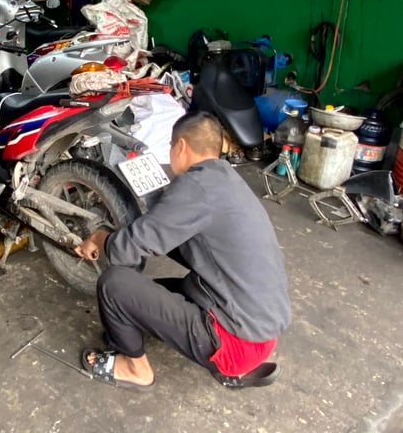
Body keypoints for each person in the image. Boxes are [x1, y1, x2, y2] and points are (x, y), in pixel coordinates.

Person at [75, 111, 291, 391]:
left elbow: (124, 251)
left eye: (170, 147)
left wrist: (98, 236)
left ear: (181, 147)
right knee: (145, 296)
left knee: (114, 285)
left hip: (235, 344)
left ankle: (135, 370)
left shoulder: (196, 187)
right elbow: (178, 242)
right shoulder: (225, 179)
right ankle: (133, 335)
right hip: (261, 330)